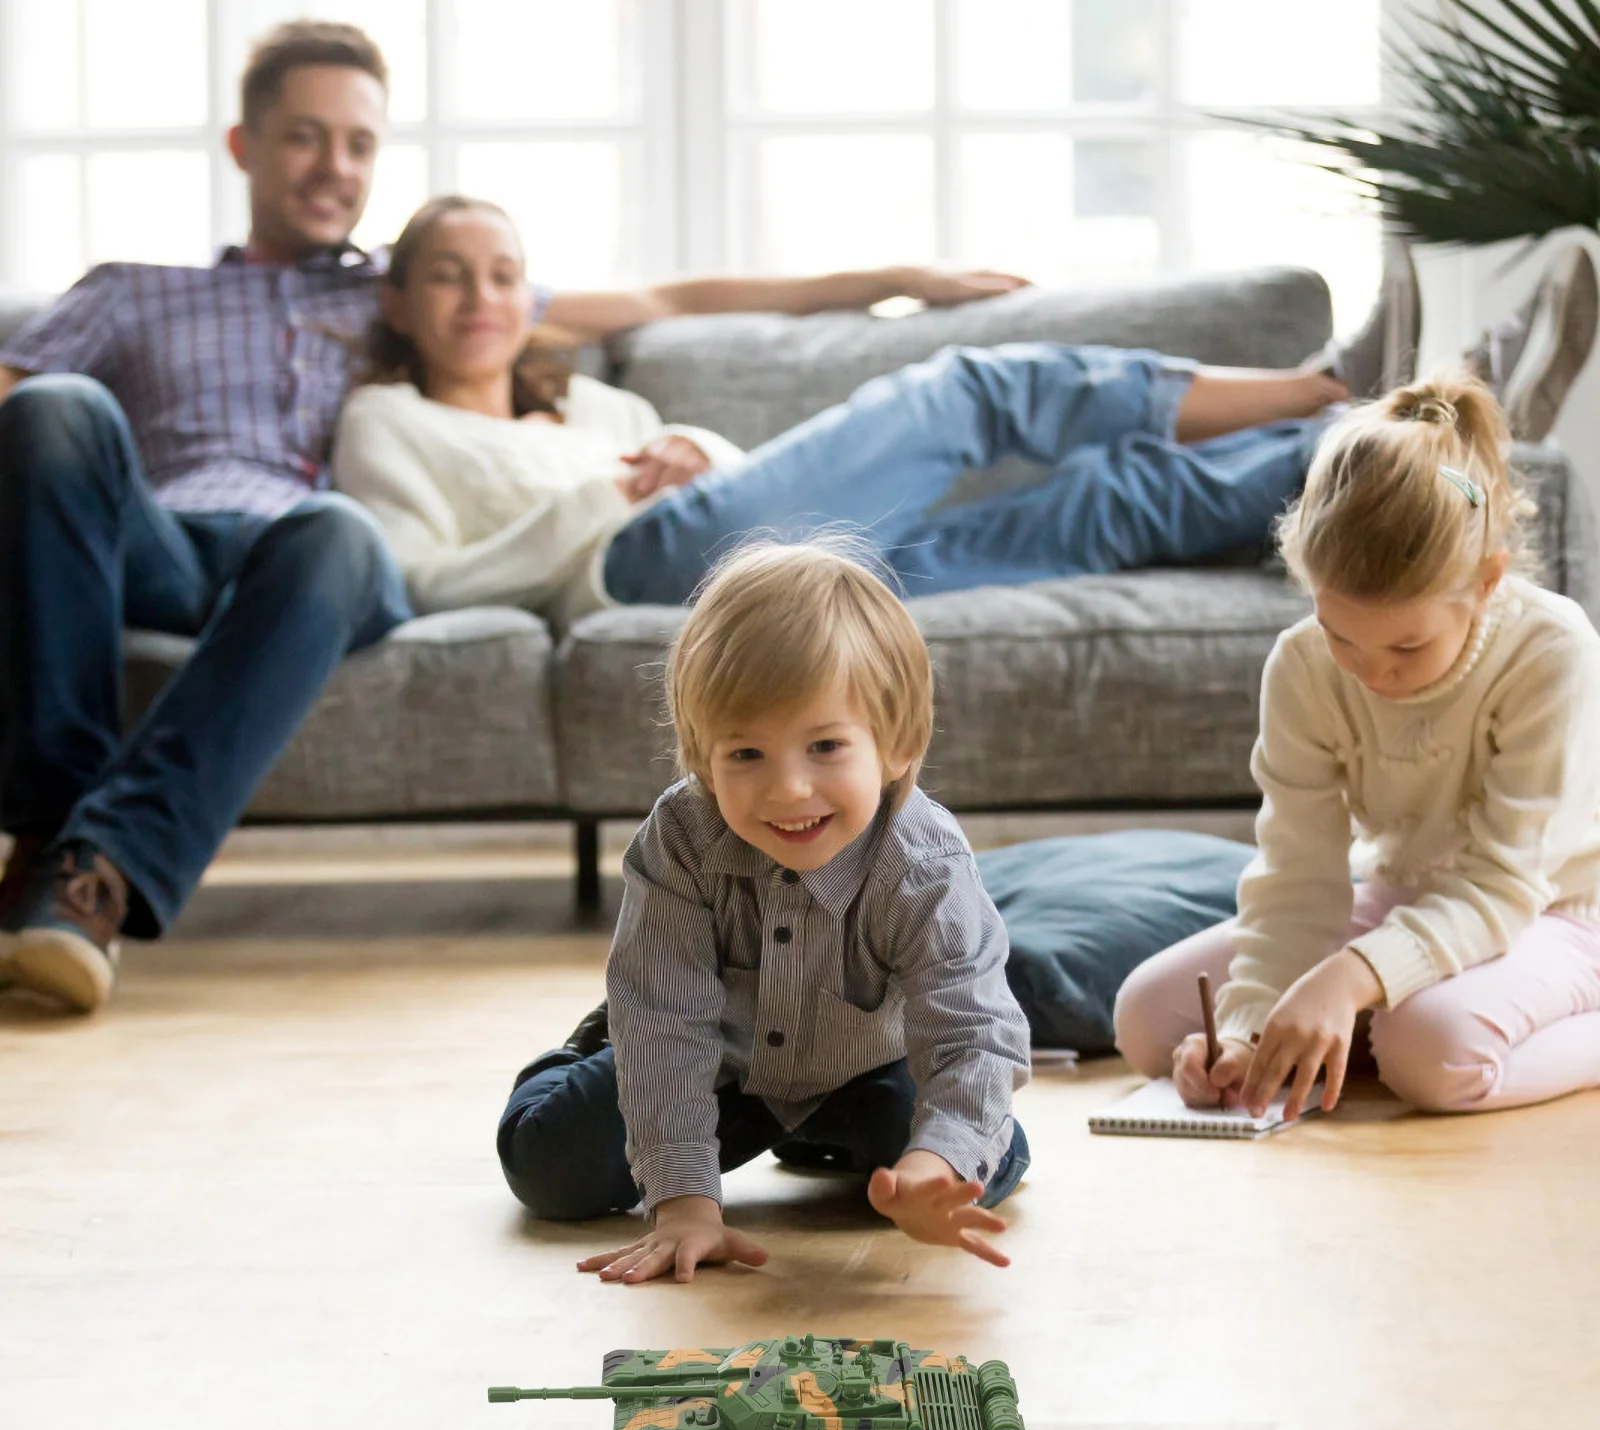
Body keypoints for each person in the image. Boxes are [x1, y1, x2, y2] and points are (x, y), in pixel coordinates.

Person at [0, 24, 1024, 1015]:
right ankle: (54, 843)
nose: (333, 165)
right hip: (160, 545)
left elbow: (669, 300)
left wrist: (896, 279)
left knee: (338, 529)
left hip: (313, 567)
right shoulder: (131, 292)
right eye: (303, 135)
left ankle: (92, 870)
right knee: (50, 409)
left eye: (358, 142)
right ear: (244, 146)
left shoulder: (405, 290)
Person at [337, 195, 1425, 628]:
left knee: (1106, 504)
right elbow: (411, 580)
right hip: (646, 567)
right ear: (397, 298)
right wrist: (599, 495)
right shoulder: (388, 422)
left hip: (770, 575)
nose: (481, 298)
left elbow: (732, 481)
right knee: (965, 391)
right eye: (446, 275)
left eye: (502, 274)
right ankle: (1327, 380)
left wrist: (691, 448)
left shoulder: (595, 400)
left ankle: (1380, 441)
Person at [496, 541, 1031, 1282]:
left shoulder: (925, 862)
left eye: (825, 746)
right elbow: (668, 1025)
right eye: (745, 755)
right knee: (547, 1168)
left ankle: (832, 1134)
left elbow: (973, 1032)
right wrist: (683, 1201)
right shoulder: (682, 838)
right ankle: (592, 1044)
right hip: (717, 1059)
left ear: (898, 745)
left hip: (868, 1064)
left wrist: (932, 1163)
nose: (787, 790)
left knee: (978, 1166)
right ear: (700, 757)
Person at [1113, 370, 1600, 1122]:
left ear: (1487, 581)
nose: (1374, 675)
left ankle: (1390, 1021)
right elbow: (1297, 872)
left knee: (1431, 1056)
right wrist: (1245, 1031)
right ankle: (1371, 1020)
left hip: (1555, 908)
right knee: (1148, 1020)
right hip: (1406, 892)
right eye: (1343, 637)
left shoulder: (1551, 648)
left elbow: (1504, 884)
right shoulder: (1303, 663)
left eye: (1407, 646)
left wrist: (1346, 980)